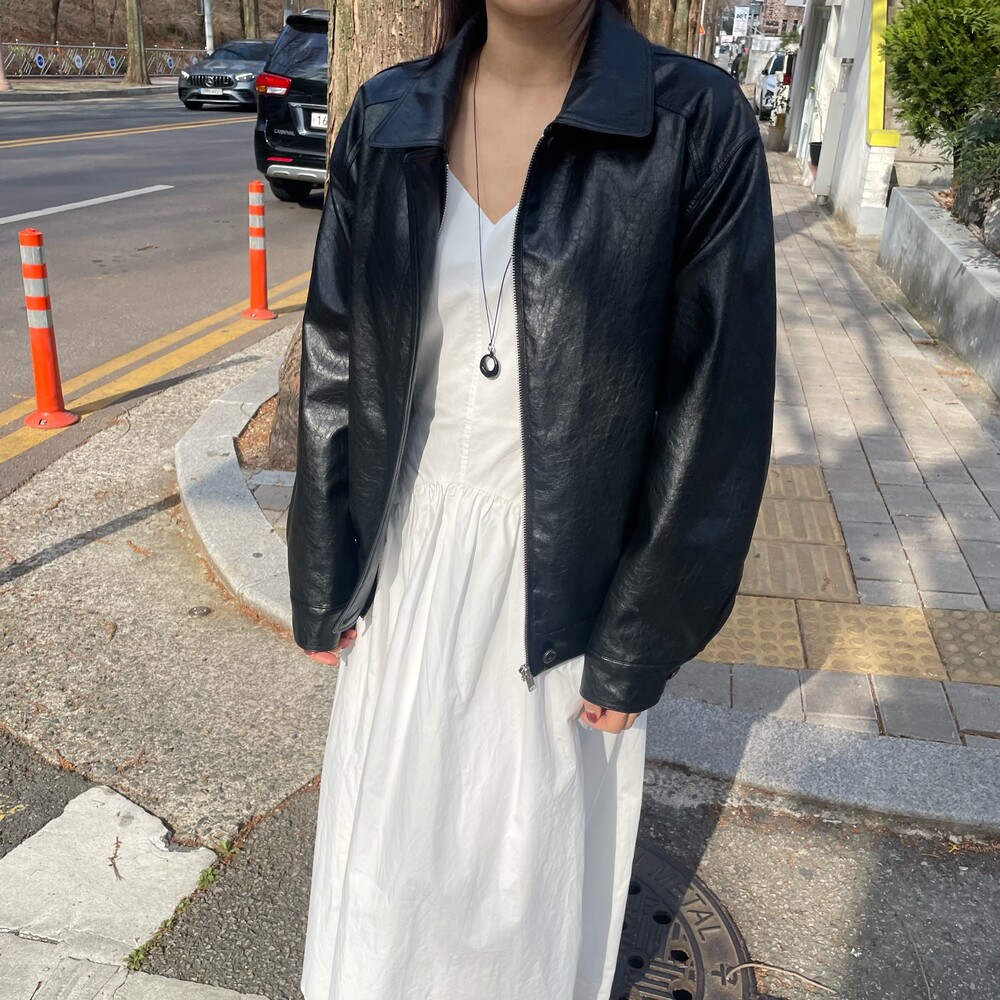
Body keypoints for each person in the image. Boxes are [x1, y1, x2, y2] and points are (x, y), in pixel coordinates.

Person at [286, 0, 775, 997]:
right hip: (407, 576)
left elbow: (716, 410)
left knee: (525, 904)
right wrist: (323, 568)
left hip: (563, 596)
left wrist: (641, 635)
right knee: (381, 892)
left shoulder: (689, 123)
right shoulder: (387, 118)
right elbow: (337, 356)